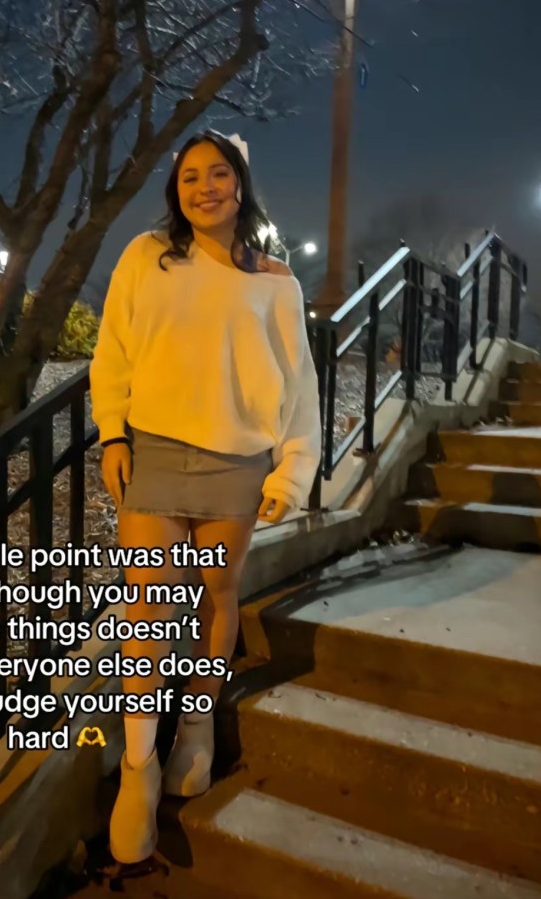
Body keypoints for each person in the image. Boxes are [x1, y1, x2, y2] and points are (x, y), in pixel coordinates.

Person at [88, 128, 321, 865]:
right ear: (176, 189)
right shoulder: (146, 256)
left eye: (218, 174)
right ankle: (138, 765)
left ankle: (196, 725)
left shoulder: (277, 281)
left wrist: (291, 472)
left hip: (238, 463)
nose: (204, 188)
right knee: (147, 603)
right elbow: (113, 350)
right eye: (190, 177)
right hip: (155, 450)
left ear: (241, 185)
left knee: (218, 599)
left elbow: (300, 386)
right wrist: (112, 433)